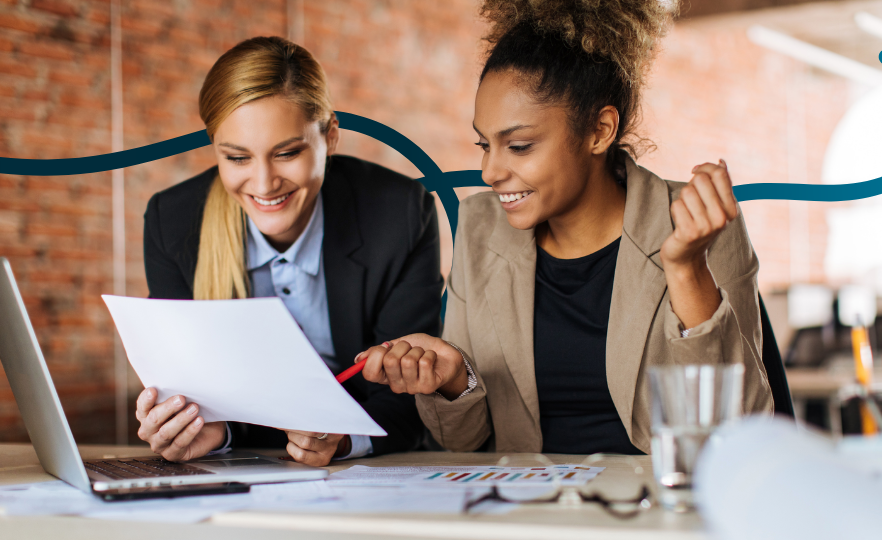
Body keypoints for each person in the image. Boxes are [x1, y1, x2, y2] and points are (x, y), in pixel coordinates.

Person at [358, 0, 774, 454]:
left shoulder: (697, 225)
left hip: (653, 511)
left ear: (599, 130)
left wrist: (687, 270)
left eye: (518, 146)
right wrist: (456, 380)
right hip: (527, 511)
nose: (489, 171)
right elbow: (461, 441)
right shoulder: (481, 227)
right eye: (484, 144)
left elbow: (739, 430)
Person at [134, 37, 442, 466]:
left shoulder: (400, 214)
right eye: (238, 158)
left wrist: (344, 441)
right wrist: (197, 429)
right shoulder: (173, 222)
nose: (263, 184)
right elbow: (193, 393)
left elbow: (411, 396)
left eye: (287, 153)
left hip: (365, 471)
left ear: (330, 137)